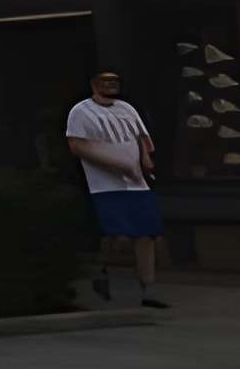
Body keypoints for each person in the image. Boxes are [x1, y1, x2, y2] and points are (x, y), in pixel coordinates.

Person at [62, 71, 165, 308]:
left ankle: (148, 288)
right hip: (105, 185)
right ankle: (102, 270)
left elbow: (140, 137)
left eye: (114, 82)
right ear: (94, 85)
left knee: (147, 234)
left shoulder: (126, 108)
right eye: (105, 82)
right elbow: (77, 145)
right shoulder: (81, 112)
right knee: (115, 235)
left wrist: (146, 162)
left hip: (137, 183)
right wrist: (115, 165)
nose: (110, 85)